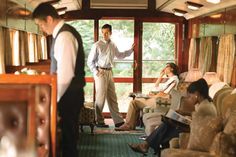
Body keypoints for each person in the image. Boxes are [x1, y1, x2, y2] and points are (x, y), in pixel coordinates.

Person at [32, 3, 85, 157]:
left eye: (41, 24)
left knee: (69, 141)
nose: (41, 28)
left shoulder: (64, 36)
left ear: (49, 19)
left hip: (68, 96)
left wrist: (52, 100)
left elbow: (66, 74)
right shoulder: (62, 34)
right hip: (69, 95)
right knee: (68, 139)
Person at [128, 78, 217, 156]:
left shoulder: (204, 107)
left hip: (198, 135)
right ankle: (147, 145)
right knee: (168, 124)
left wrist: (183, 118)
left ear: (196, 94)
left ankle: (146, 145)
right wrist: (183, 114)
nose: (189, 99)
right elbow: (196, 119)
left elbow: (196, 125)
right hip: (197, 130)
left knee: (167, 126)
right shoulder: (204, 104)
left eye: (190, 96)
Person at [87, 24, 134, 128]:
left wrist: (131, 50)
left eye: (107, 32)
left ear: (111, 33)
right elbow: (90, 61)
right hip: (101, 72)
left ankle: (118, 121)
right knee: (101, 97)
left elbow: (120, 55)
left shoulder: (113, 44)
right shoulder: (97, 45)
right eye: (103, 33)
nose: (104, 35)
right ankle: (99, 121)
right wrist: (96, 71)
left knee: (112, 96)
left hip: (109, 72)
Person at [115, 62, 179, 131]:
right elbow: (156, 88)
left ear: (172, 69)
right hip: (158, 99)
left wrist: (153, 96)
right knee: (136, 99)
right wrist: (161, 75)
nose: (164, 68)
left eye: (167, 66)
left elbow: (165, 94)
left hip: (161, 102)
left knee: (134, 103)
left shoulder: (174, 80)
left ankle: (128, 125)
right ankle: (131, 124)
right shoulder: (170, 80)